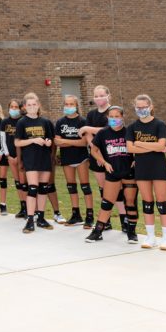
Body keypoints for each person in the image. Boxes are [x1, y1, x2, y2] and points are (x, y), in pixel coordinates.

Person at [125, 94, 166, 250]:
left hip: (158, 166)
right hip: (141, 167)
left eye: (144, 107)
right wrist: (152, 146)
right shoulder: (132, 127)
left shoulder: (160, 125)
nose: (141, 110)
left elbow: (161, 146)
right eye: (138, 107)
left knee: (161, 202)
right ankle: (150, 237)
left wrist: (139, 143)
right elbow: (130, 148)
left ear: (150, 107)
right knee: (147, 202)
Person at [86, 106, 138, 243]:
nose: (114, 119)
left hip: (129, 172)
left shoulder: (129, 131)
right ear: (107, 117)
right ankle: (98, 231)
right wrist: (104, 162)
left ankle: (132, 233)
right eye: (111, 116)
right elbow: (94, 151)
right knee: (106, 202)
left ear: (122, 117)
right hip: (112, 172)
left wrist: (136, 159)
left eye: (117, 116)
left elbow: (138, 147)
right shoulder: (103, 133)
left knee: (131, 203)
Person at [15, 92, 56, 233]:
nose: (32, 107)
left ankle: (41, 218)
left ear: (38, 105)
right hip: (30, 159)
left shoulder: (45, 122)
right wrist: (33, 140)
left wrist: (48, 142)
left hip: (44, 158)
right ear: (25, 107)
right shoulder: (22, 122)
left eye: (34, 104)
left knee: (43, 188)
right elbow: (17, 142)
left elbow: (51, 140)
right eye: (29, 105)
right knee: (33, 188)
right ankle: (30, 219)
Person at [80, 85, 116, 230]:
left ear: (108, 95)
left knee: (115, 188)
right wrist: (96, 153)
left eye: (102, 95)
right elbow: (87, 135)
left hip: (113, 153)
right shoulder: (91, 115)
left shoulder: (114, 111)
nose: (99, 98)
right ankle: (105, 221)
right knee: (103, 188)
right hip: (97, 154)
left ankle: (126, 220)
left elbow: (111, 129)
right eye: (96, 96)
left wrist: (89, 129)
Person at [55, 95, 93, 227]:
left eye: (71, 104)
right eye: (66, 104)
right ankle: (76, 214)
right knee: (71, 186)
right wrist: (71, 142)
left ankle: (89, 215)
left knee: (85, 186)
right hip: (67, 158)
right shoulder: (60, 122)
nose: (68, 106)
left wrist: (65, 141)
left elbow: (84, 143)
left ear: (76, 106)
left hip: (81, 158)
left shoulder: (82, 121)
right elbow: (57, 142)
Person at [4, 99, 27, 218]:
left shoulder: (22, 121)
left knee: (24, 183)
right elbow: (2, 139)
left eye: (16, 107)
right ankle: (23, 206)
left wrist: (19, 157)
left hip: (21, 157)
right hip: (10, 156)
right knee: (17, 182)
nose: (14, 109)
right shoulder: (5, 122)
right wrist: (8, 155)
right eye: (11, 107)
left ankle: (29, 207)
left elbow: (22, 140)